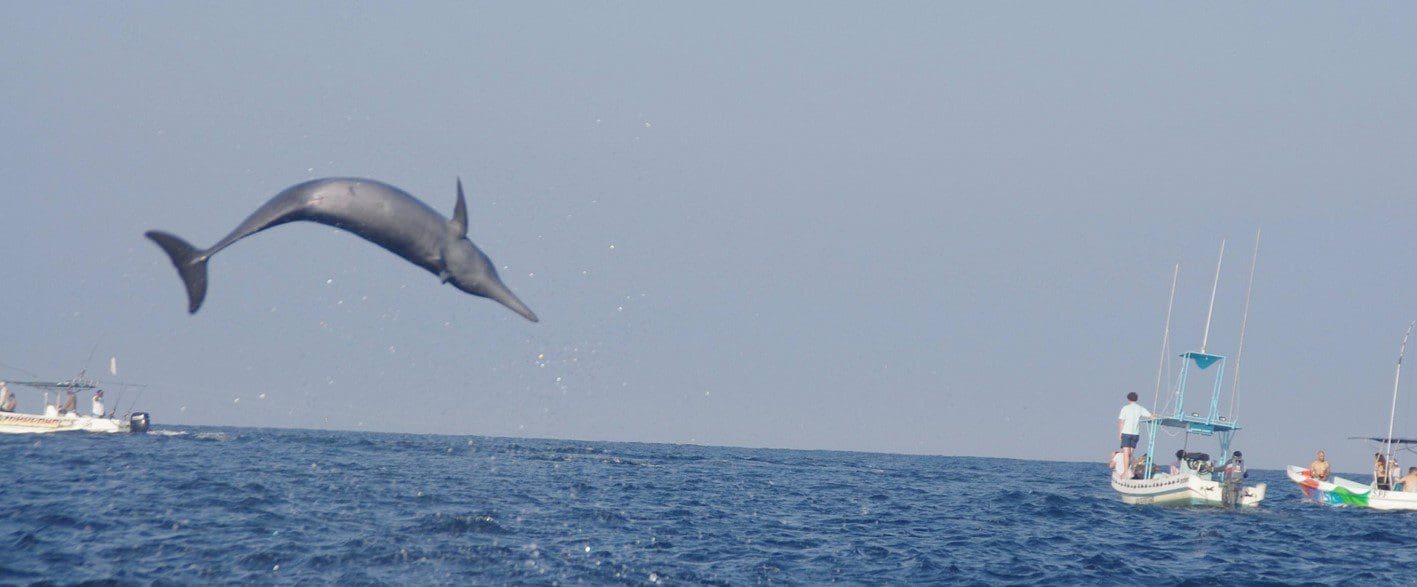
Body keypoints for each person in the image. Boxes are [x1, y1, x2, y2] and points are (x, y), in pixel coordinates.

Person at [1116, 392, 1154, 473]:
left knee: (1126, 454)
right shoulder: (1140, 408)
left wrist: (1120, 433)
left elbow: (1121, 421)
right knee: (1130, 454)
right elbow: (1151, 416)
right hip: (1135, 434)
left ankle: (1125, 471)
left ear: (1128, 399)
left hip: (1126, 433)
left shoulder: (1125, 408)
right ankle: (1129, 470)